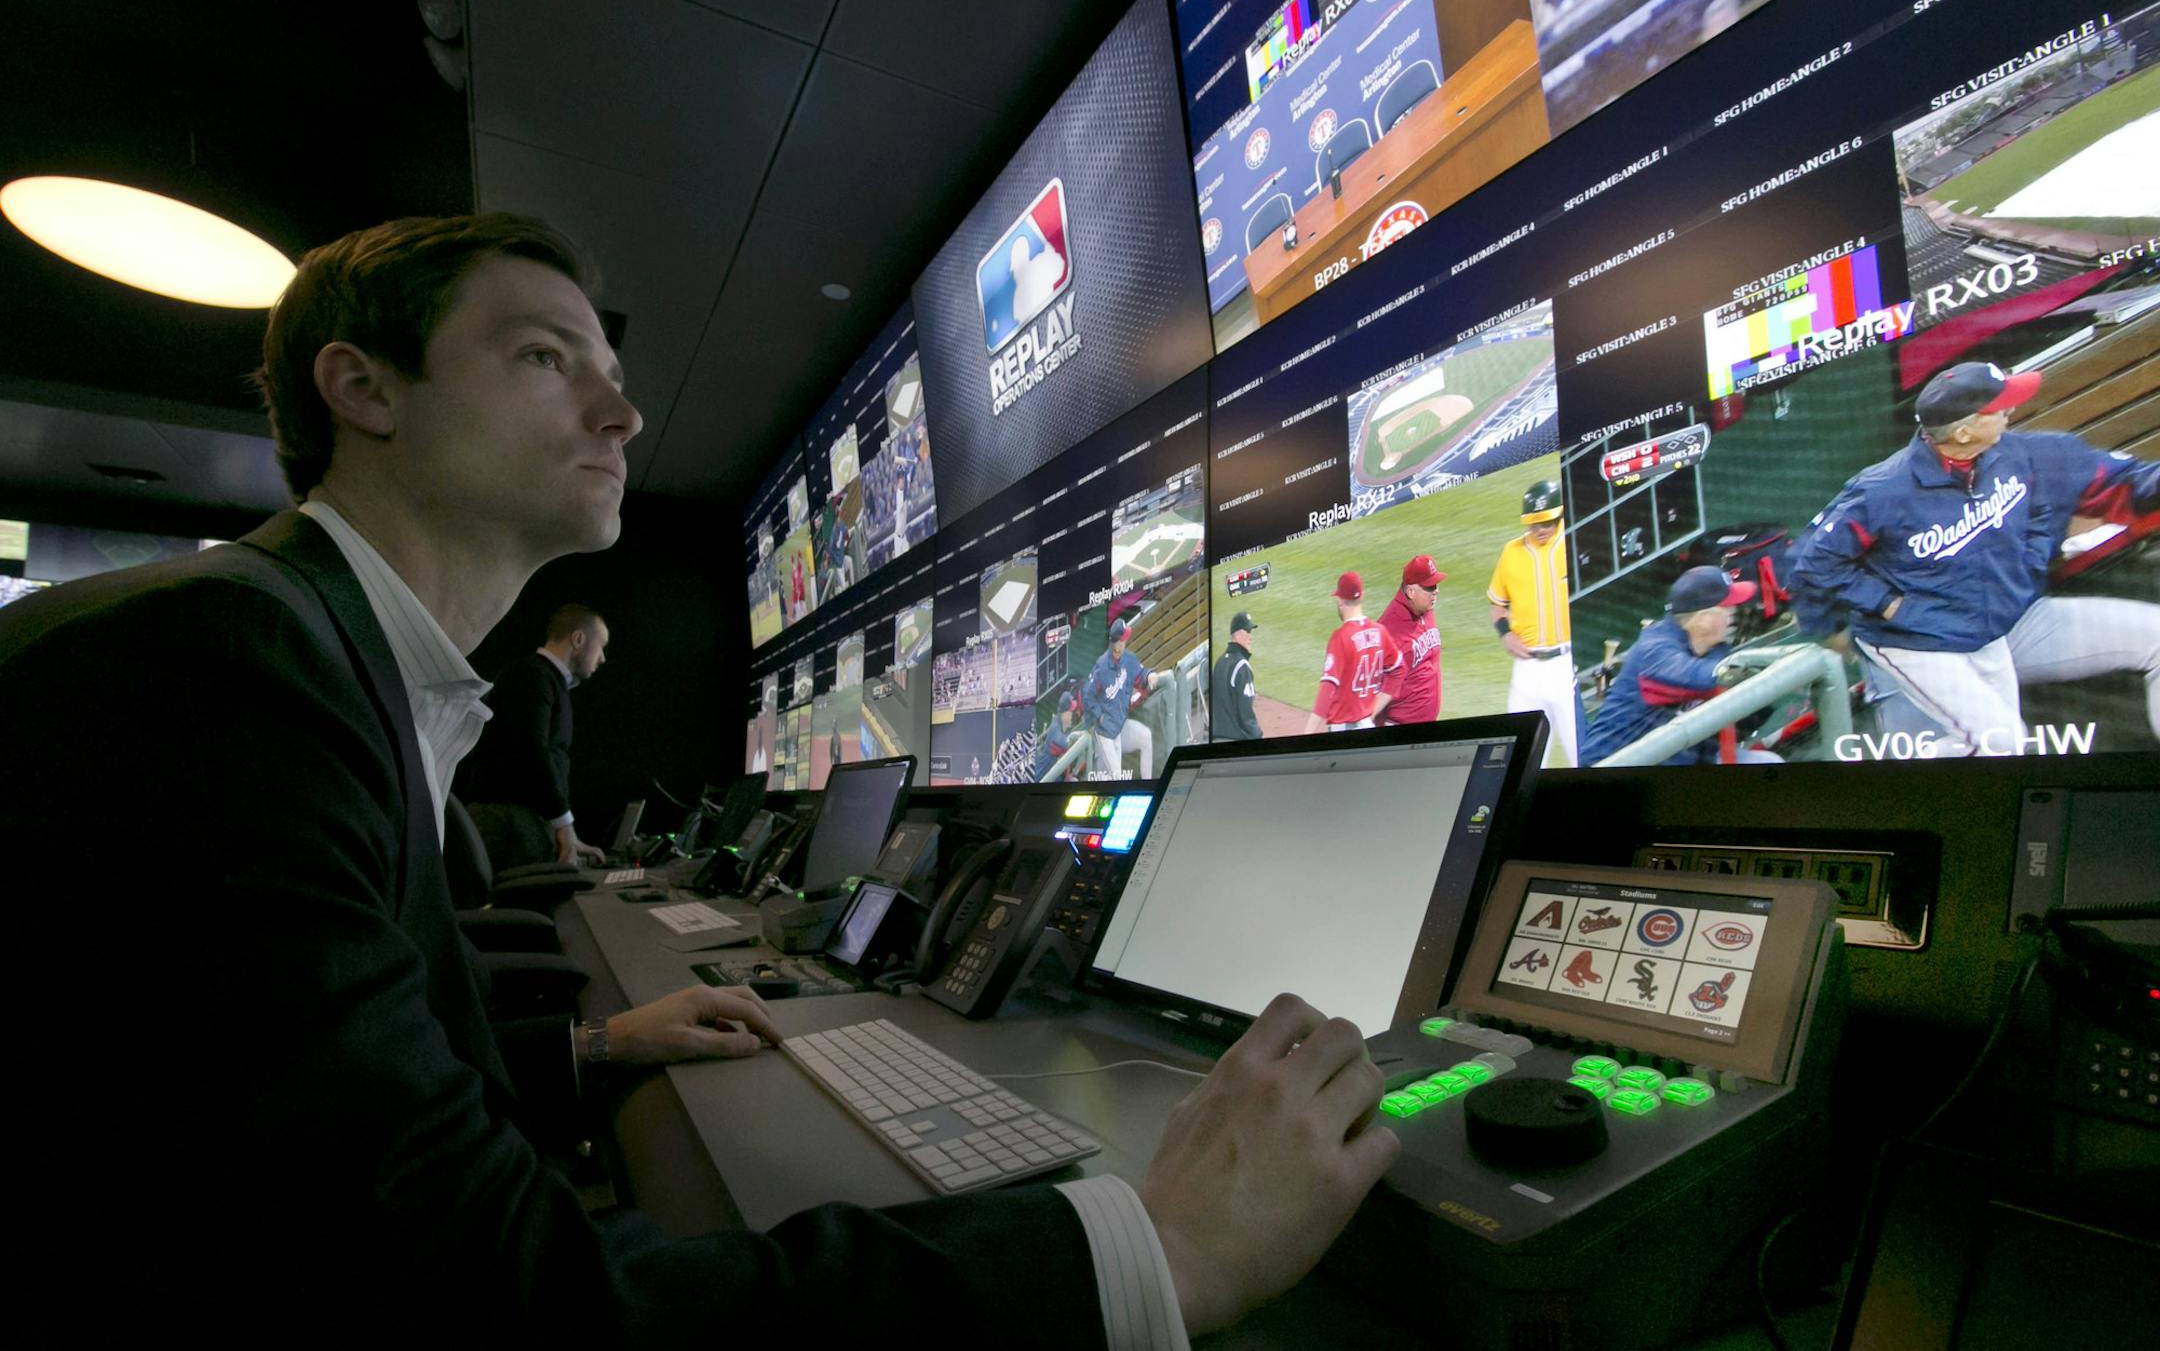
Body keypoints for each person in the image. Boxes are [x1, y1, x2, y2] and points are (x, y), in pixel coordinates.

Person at [0, 214, 1398, 1342]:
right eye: (548, 357)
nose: (621, 409)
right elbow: (479, 1296)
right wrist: (1157, 1252)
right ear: (363, 387)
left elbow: (288, 1104)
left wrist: (593, 1046)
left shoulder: (319, 658)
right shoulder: (221, 667)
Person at [1789, 360, 2160, 756]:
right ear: (1963, 432)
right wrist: (1881, 607)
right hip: (1919, 641)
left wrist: (2029, 561)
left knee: (2004, 744)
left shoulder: (2020, 456)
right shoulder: (1882, 490)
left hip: (1998, 626)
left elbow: (2117, 487)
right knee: (1999, 743)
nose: (2011, 411)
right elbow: (1813, 564)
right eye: (1998, 409)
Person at [457, 602, 611, 866]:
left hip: (518, 825)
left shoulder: (542, 679)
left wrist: (566, 830)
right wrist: (564, 826)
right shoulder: (532, 675)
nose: (602, 658)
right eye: (602, 646)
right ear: (578, 639)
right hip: (511, 828)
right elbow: (531, 750)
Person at [1580, 567, 1783, 765]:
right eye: (1726, 608)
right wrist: (1734, 676)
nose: (1733, 613)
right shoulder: (1654, 651)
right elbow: (1696, 676)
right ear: (1704, 619)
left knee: (1770, 762)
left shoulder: (1715, 650)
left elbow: (1738, 721)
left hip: (1683, 757)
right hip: (1612, 764)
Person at [1488, 480, 1579, 765]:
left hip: (1566, 664)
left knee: (1582, 755)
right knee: (1520, 762)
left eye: (1548, 523)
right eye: (1535, 524)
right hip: (1527, 671)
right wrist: (1505, 634)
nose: (1541, 530)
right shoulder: (1511, 552)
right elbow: (1497, 604)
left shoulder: (1572, 543)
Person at [1306, 571, 1403, 732]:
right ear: (1362, 596)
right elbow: (1398, 671)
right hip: (1367, 726)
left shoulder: (1341, 637)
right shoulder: (1380, 631)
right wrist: (1371, 712)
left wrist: (1307, 733)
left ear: (1339, 600)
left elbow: (1327, 689)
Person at [1084, 618, 1172, 779]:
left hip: (1119, 726)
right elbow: (1088, 696)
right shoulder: (1102, 667)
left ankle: (1148, 784)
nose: (1125, 642)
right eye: (1123, 640)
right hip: (1105, 735)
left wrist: (1150, 675)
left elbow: (1141, 674)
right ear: (1117, 644)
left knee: (1146, 736)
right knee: (1116, 778)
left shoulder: (1128, 659)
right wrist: (1100, 716)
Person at [1375, 554, 1444, 725]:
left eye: (1435, 584)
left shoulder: (1424, 608)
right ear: (1411, 591)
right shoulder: (1389, 631)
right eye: (1430, 587)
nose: (1436, 591)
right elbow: (1373, 688)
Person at [1211, 611, 1263, 741]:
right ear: (1238, 634)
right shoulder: (1242, 666)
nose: (1251, 637)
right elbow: (1246, 715)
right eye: (1248, 632)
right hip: (1235, 742)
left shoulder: (1220, 662)